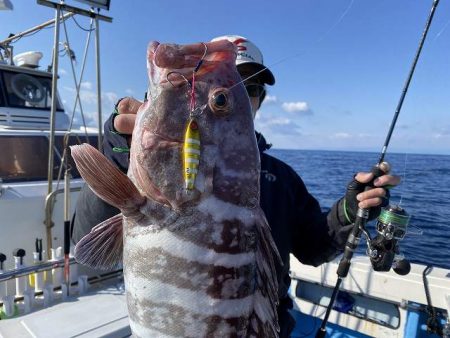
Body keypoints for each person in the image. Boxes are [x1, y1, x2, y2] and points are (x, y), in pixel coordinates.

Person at [72, 35, 400, 337]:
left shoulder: (281, 178)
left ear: (258, 100)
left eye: (250, 87)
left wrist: (349, 211)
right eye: (222, 96)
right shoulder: (143, 164)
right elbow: (86, 253)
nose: (243, 91)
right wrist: (118, 160)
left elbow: (314, 249)